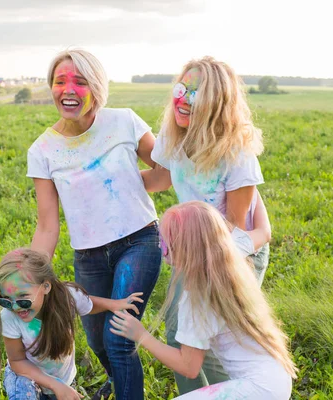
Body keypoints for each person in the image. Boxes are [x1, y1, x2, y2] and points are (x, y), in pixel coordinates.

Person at [27, 48, 162, 400]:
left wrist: (126, 184)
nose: (68, 89)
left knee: (118, 339)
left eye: (80, 81)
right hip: (88, 256)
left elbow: (166, 174)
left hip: (139, 242)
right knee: (98, 342)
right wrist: (29, 279)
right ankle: (121, 382)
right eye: (60, 81)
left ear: (96, 87)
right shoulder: (42, 150)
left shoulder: (125, 122)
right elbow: (47, 226)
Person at [140, 56, 271, 393]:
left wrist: (192, 259)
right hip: (194, 244)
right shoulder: (174, 135)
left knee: (214, 336)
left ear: (217, 103)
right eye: (180, 89)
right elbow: (160, 179)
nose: (182, 99)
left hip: (234, 248)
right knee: (181, 329)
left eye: (194, 94)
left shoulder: (237, 155)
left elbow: (233, 224)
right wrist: (108, 180)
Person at [109, 202, 296, 400]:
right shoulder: (230, 251)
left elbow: (189, 367)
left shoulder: (197, 299)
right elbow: (263, 232)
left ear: (183, 248)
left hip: (258, 390)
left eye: (163, 242)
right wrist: (254, 194)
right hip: (278, 378)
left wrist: (141, 335)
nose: (160, 246)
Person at [0, 248, 145, 400]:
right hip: (28, 379)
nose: (15, 307)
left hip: (64, 380)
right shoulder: (9, 317)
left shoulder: (67, 298)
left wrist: (113, 304)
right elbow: (17, 361)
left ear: (46, 286)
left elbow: (88, 304)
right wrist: (55, 385)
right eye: (6, 300)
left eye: (23, 297)